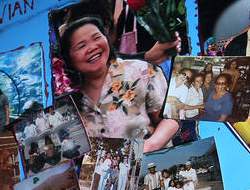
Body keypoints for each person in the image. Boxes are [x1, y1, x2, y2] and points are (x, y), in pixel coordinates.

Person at [58, 17, 178, 152]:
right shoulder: (66, 99)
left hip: (152, 166)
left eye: (97, 38)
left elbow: (171, 119)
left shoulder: (141, 71)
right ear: (68, 58)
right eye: (81, 46)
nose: (92, 47)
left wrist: (149, 145)